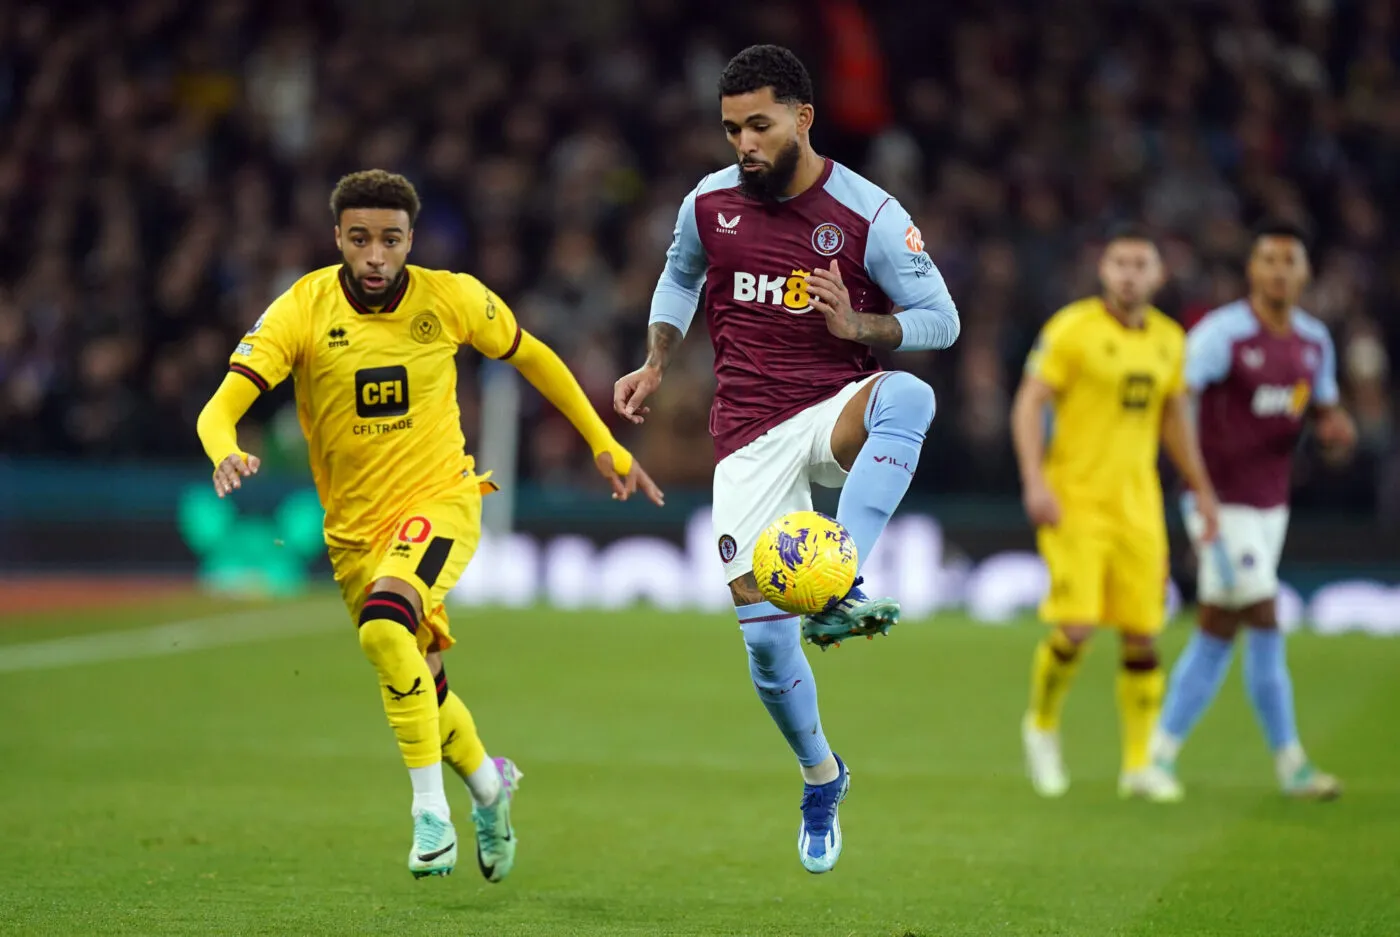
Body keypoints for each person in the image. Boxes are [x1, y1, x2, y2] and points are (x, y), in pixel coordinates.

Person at [196, 169, 663, 879]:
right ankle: (486, 787)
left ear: (411, 238)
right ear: (338, 240)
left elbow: (534, 354)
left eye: (389, 239)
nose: (375, 255)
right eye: (360, 239)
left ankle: (429, 816)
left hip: (441, 499)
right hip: (353, 533)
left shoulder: (451, 297)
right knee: (423, 679)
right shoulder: (303, 307)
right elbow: (218, 407)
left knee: (387, 625)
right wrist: (224, 448)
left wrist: (604, 441)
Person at [613, 44, 959, 873]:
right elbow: (678, 276)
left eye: (760, 125)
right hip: (748, 438)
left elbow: (941, 319)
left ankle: (840, 578)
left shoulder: (869, 214)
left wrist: (863, 330)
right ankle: (821, 775)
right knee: (767, 650)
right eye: (732, 128)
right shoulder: (710, 203)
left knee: (909, 398)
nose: (745, 144)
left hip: (832, 407)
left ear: (804, 118)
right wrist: (658, 357)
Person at [1011, 226, 1220, 802]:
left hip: (1139, 506)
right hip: (1074, 500)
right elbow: (1029, 404)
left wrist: (1201, 489)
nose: (1129, 273)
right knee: (1076, 628)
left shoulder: (1169, 341)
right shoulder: (1072, 329)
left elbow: (1175, 420)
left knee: (1142, 636)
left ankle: (1138, 765)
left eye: (1140, 264)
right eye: (1119, 263)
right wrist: (1035, 480)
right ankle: (1043, 728)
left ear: (1159, 275)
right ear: (1104, 271)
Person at [1152, 222, 1356, 799]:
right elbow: (1177, 404)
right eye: (1269, 260)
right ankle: (1292, 764)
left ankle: (1158, 755)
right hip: (1218, 501)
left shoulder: (1315, 341)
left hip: (1271, 504)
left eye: (1290, 261)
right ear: (1252, 270)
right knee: (1264, 614)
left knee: (1219, 625)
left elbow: (1324, 410)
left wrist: (1336, 429)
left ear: (1305, 273)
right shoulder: (1222, 336)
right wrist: (1199, 490)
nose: (1279, 271)